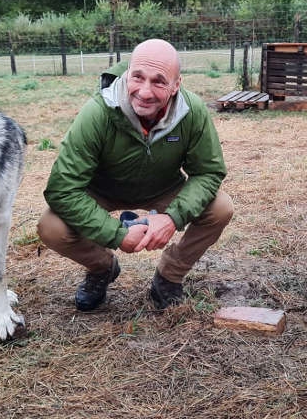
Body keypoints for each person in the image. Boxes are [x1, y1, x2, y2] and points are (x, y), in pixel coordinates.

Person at [37, 38, 233, 311]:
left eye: (159, 81)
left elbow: (208, 172)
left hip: (163, 187)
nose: (145, 91)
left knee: (220, 208)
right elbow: (62, 189)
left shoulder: (192, 111)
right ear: (127, 72)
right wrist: (115, 234)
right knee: (51, 227)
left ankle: (169, 276)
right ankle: (102, 268)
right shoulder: (97, 113)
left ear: (177, 84)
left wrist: (172, 217)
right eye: (137, 77)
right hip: (102, 191)